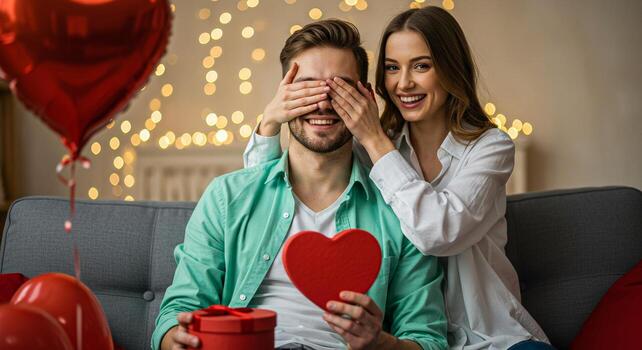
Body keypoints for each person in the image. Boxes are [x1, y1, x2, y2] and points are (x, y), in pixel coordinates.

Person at [244, 7, 554, 350]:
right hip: (406, 335)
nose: (403, 83)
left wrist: (375, 139)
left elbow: (438, 233)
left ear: (451, 70)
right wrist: (269, 122)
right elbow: (260, 197)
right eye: (392, 68)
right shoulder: (376, 146)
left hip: (487, 334)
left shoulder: (489, 148)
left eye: (421, 66)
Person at [153, 19, 448, 350]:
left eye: (340, 89)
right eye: (307, 88)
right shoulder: (226, 197)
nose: (322, 103)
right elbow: (177, 313)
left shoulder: (401, 210)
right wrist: (174, 342)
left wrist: (379, 343)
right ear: (284, 96)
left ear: (365, 96)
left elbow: (428, 339)